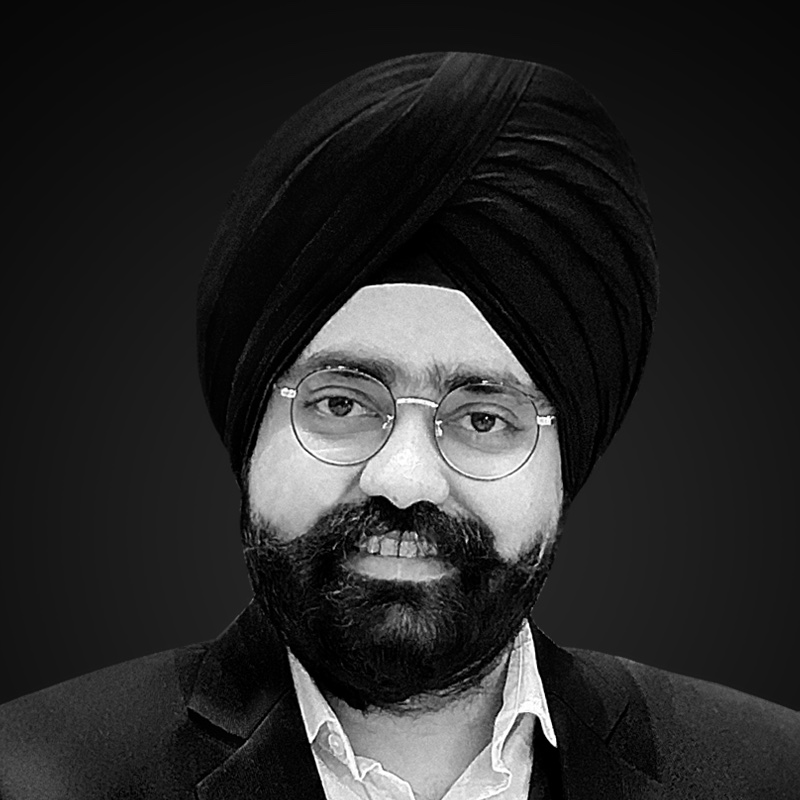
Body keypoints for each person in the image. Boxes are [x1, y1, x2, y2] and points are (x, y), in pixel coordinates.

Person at [1, 51, 797, 800]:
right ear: (251, 431)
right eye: (341, 404)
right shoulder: (33, 776)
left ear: (565, 461)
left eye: (483, 417)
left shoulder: (770, 773)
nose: (405, 479)